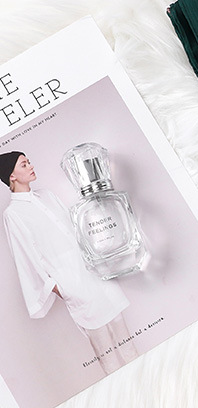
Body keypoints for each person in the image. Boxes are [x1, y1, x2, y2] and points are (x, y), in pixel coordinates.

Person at [0, 150, 138, 374]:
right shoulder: (13, 213)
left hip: (93, 269)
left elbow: (75, 228)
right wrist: (59, 288)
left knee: (125, 335)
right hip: (71, 281)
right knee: (105, 350)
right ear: (11, 176)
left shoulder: (46, 195)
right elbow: (25, 256)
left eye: (29, 162)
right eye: (24, 165)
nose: (31, 166)